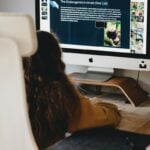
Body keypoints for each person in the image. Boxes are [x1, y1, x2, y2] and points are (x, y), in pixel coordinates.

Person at [23, 31, 121, 150]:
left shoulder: (10, 91)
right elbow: (109, 118)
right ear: (56, 59)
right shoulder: (60, 96)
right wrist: (96, 103)